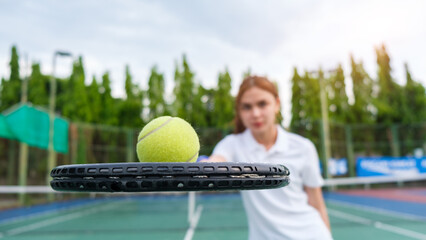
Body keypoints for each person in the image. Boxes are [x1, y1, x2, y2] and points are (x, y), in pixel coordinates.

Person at [206, 76, 332, 240]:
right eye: (247, 107)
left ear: (277, 104)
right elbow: (216, 161)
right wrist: (206, 165)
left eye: (262, 104)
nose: (256, 113)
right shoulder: (232, 144)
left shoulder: (303, 147)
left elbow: (317, 203)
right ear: (239, 112)